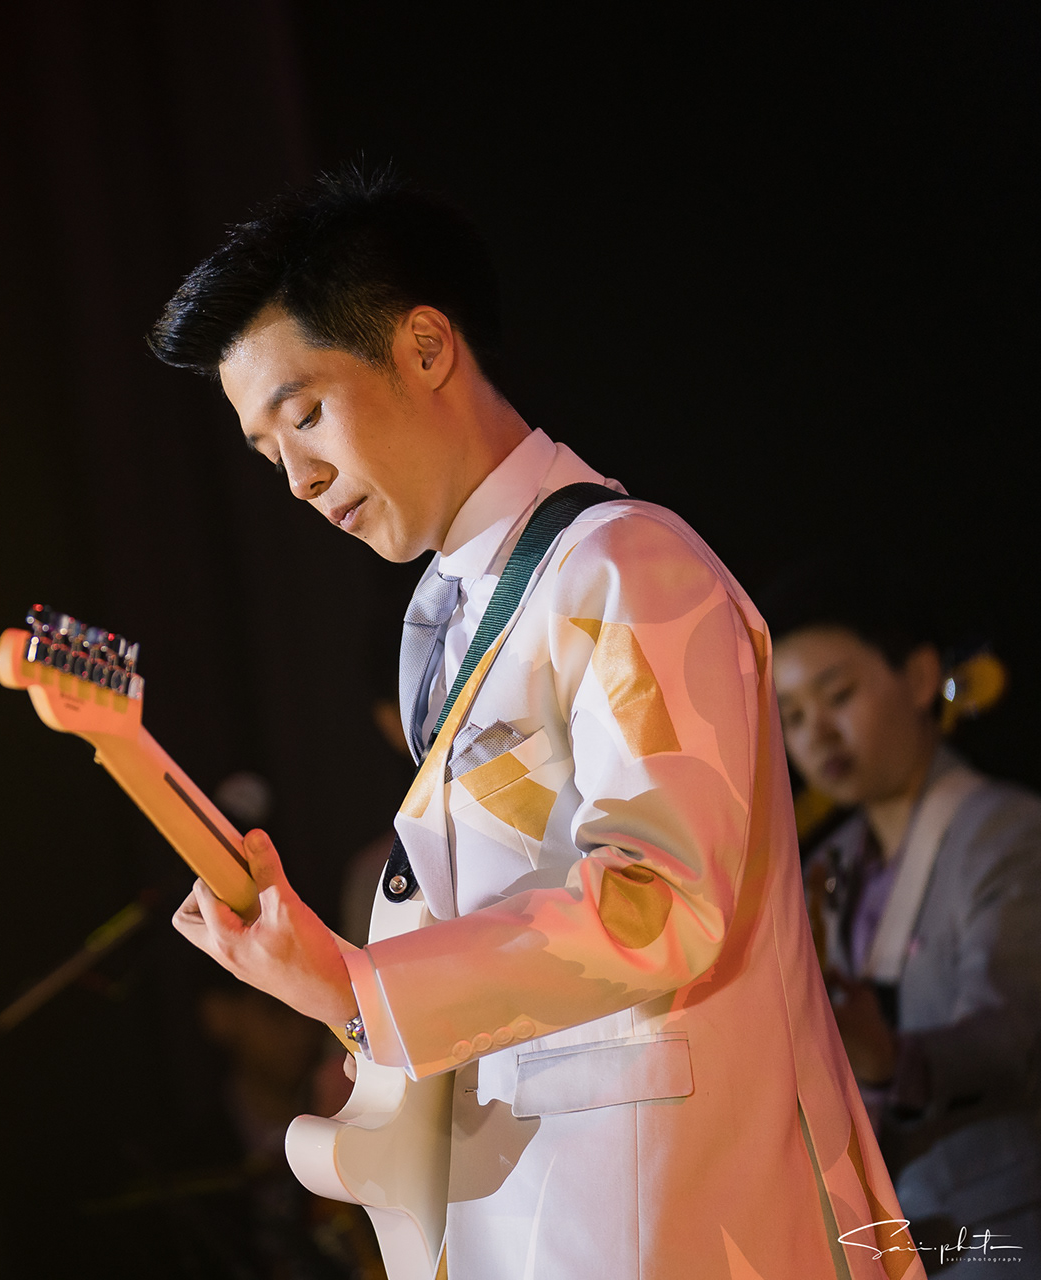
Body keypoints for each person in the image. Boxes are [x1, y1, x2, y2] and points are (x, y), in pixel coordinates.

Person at [147, 169, 921, 1278]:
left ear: (426, 346)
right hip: (544, 1206)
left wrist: (357, 987)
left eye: (305, 415)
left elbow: (662, 902)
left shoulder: (626, 563)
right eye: (269, 455)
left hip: (675, 1212)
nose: (300, 480)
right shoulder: (448, 614)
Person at [769, 570, 1041, 1264]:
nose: (816, 732)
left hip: (1003, 1224)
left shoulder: (1008, 831)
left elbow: (1013, 1033)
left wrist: (889, 1058)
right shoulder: (824, 866)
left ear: (919, 678)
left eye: (838, 695)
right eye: (791, 717)